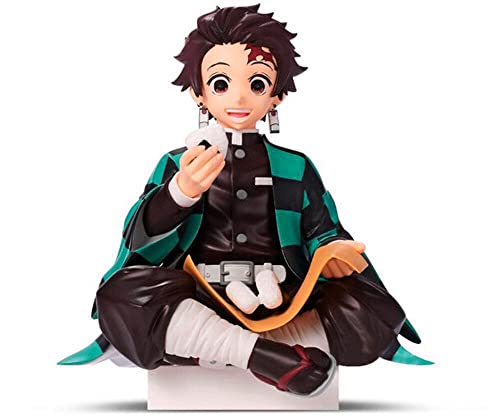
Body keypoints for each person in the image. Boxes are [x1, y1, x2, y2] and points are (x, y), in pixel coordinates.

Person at [58, 4, 431, 397]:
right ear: (199, 93)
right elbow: (139, 238)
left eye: (257, 83)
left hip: (285, 296)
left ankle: (228, 349)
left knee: (368, 306)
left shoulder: (295, 166)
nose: (238, 97)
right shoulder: (177, 163)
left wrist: (335, 252)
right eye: (221, 84)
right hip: (197, 299)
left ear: (277, 96)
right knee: (121, 294)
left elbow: (323, 231)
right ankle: (270, 357)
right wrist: (180, 193)